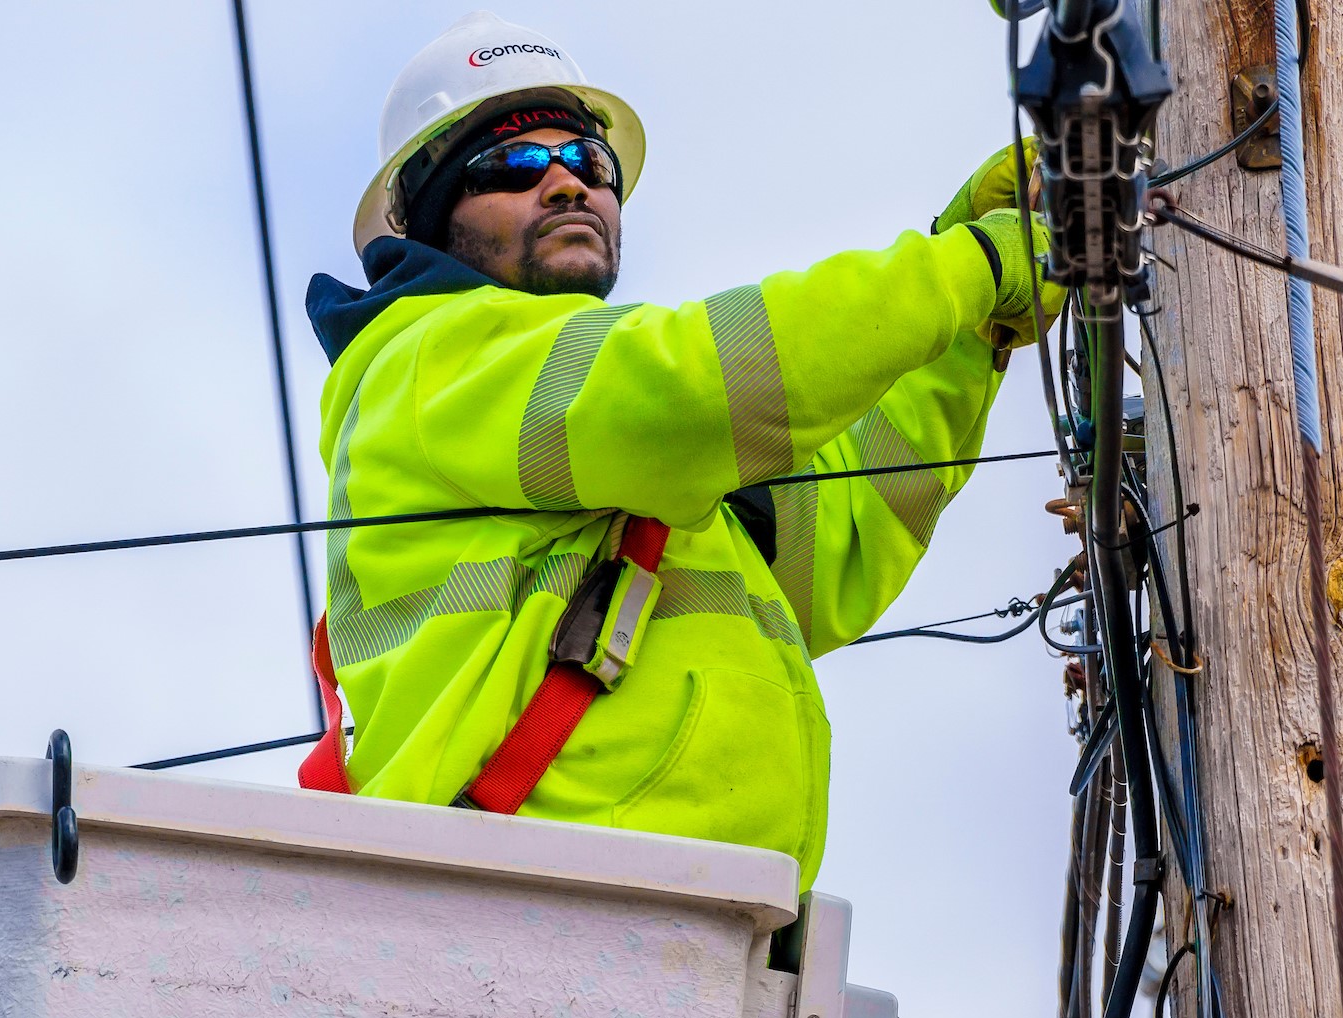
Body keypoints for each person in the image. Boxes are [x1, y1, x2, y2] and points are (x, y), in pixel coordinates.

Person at [296, 12, 1059, 891]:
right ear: (430, 220)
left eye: (589, 163)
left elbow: (844, 533)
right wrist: (970, 268)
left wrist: (970, 328)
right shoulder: (429, 360)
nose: (564, 185)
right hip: (523, 905)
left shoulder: (629, 457)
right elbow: (693, 385)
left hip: (688, 928)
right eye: (510, 165)